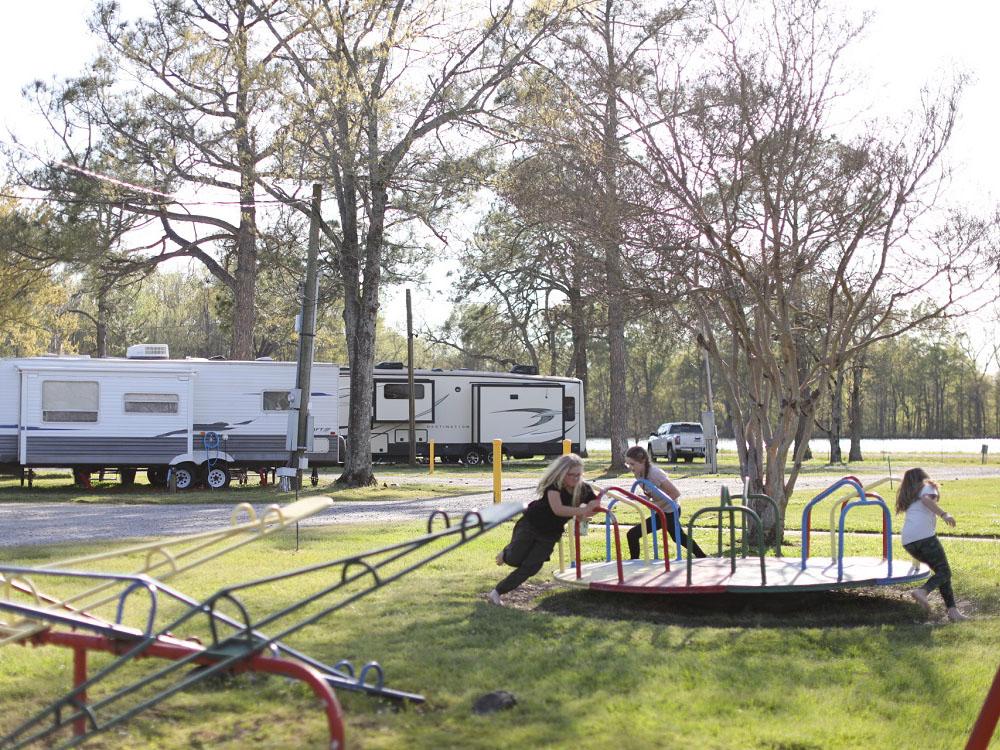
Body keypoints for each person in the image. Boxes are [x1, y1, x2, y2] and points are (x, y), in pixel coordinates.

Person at [487, 454, 601, 606]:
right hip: (530, 524)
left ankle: (497, 592)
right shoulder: (554, 486)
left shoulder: (584, 488)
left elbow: (595, 506)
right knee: (514, 559)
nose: (575, 478)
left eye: (578, 475)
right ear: (561, 473)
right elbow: (558, 509)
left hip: (550, 534)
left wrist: (590, 509)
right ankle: (506, 553)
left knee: (532, 566)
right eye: (571, 475)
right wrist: (581, 511)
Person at [896, 467, 969, 622]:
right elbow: (927, 500)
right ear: (923, 477)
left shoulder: (911, 495)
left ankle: (952, 611)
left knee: (942, 573)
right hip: (925, 538)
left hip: (908, 541)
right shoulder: (928, 486)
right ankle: (923, 591)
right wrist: (944, 514)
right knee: (945, 572)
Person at [624, 445, 706, 560]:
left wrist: (657, 506)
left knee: (678, 537)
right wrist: (641, 498)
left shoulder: (654, 473)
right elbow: (653, 494)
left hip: (670, 510)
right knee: (633, 534)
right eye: (628, 464)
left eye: (632, 464)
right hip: (661, 510)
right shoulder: (638, 473)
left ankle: (702, 556)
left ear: (643, 461)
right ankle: (634, 562)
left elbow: (675, 493)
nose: (630, 467)